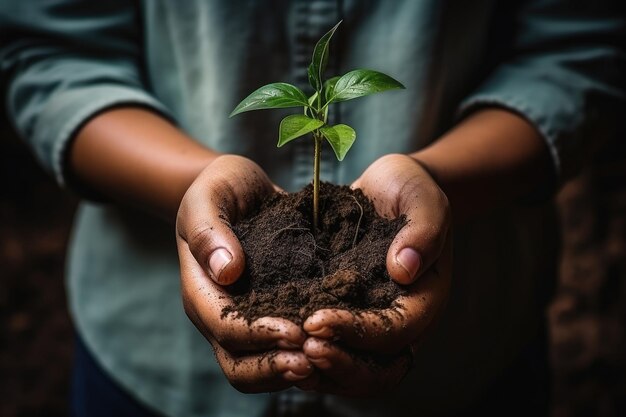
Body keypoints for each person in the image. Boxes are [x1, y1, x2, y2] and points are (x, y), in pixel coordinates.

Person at [1, 1, 622, 416]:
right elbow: (53, 52)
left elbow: (580, 47)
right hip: (153, 360)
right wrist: (195, 185)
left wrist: (439, 182)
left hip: (463, 360)